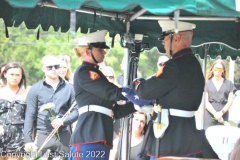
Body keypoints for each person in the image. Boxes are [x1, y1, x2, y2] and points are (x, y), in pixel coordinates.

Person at [128, 20, 219, 159]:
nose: (163, 42)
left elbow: (145, 91)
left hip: (169, 141)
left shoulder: (174, 65)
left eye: (165, 38)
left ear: (176, 38)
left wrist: (137, 83)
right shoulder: (195, 64)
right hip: (187, 138)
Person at [68, 30, 137, 160]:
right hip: (88, 139)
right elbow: (111, 92)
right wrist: (140, 93)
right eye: (100, 49)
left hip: (98, 139)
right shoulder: (84, 72)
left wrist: (138, 105)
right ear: (88, 52)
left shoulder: (97, 74)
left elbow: (114, 112)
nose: (104, 52)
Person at [24, 54, 78, 160]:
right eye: (49, 67)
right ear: (43, 68)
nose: (53, 69)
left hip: (64, 135)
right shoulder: (35, 89)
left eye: (56, 66)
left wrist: (63, 121)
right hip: (43, 135)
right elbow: (30, 115)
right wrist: (28, 140)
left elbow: (77, 110)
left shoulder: (70, 88)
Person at [0, 62, 27, 159]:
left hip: (18, 136)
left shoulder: (26, 94)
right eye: (12, 74)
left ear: (21, 76)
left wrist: (29, 139)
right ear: (5, 74)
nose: (14, 77)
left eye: (17, 75)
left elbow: (29, 118)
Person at [204, 59, 236, 129]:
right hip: (209, 115)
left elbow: (230, 101)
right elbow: (205, 102)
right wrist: (215, 114)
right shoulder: (207, 83)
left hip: (223, 116)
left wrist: (221, 113)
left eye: (220, 69)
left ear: (223, 70)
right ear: (212, 69)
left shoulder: (229, 84)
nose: (218, 70)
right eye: (216, 68)